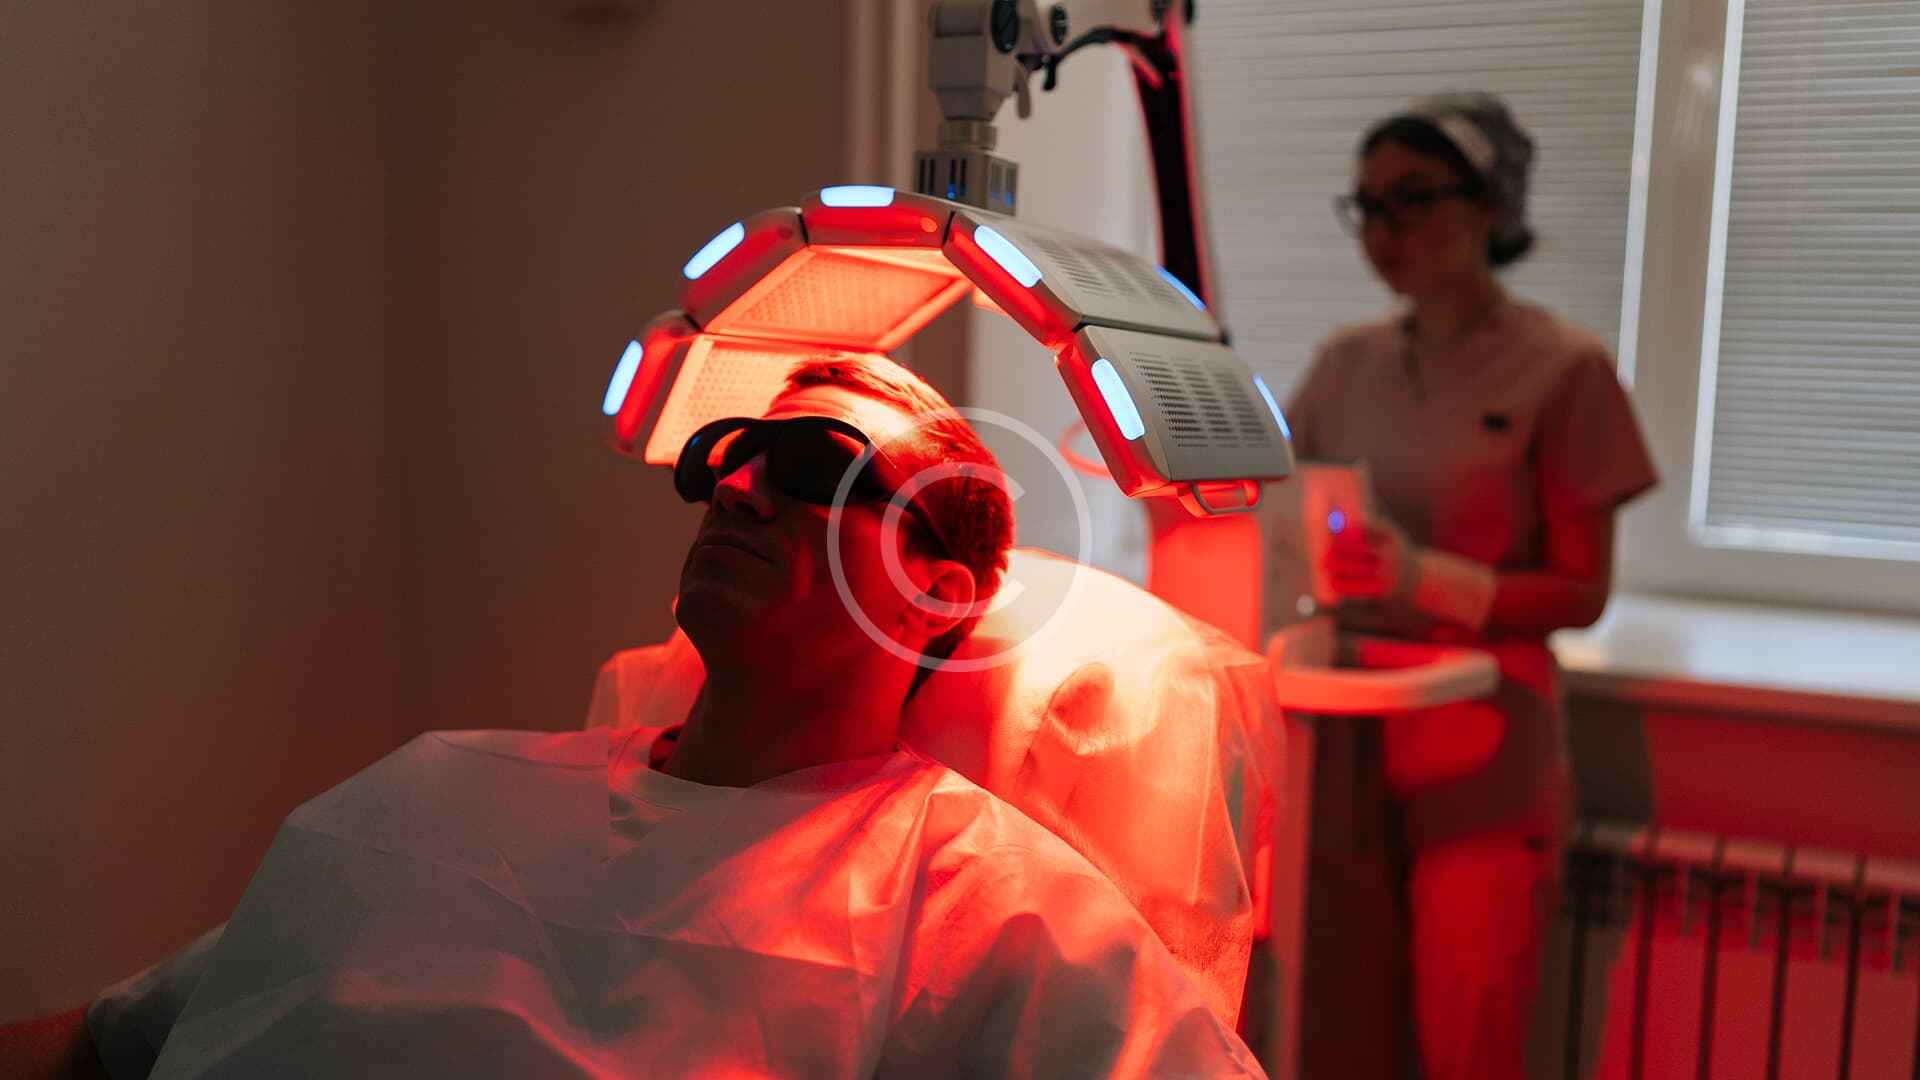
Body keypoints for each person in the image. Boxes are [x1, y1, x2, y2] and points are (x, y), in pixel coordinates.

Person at [16, 356, 1264, 1078]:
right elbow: (114, 1044)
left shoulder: (991, 910)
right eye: (727, 454)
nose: (738, 489)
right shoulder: (440, 788)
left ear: (940, 591)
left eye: (817, 468)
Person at [1285, 93, 1658, 1079]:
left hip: (1482, 745)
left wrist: (1425, 578)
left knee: (1468, 1031)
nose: (1384, 230)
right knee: (1331, 1031)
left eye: (1412, 199)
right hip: (1345, 740)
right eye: (1368, 206)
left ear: (1490, 205)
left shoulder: (1562, 369)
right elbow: (1273, 508)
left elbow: (1581, 592)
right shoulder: (1345, 366)